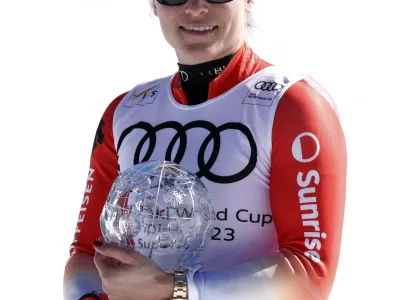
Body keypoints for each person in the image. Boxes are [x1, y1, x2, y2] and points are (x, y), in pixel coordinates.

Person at [63, 0, 347, 299]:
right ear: (154, 5)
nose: (196, 8)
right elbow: (86, 252)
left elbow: (310, 272)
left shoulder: (292, 105)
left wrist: (177, 289)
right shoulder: (125, 110)